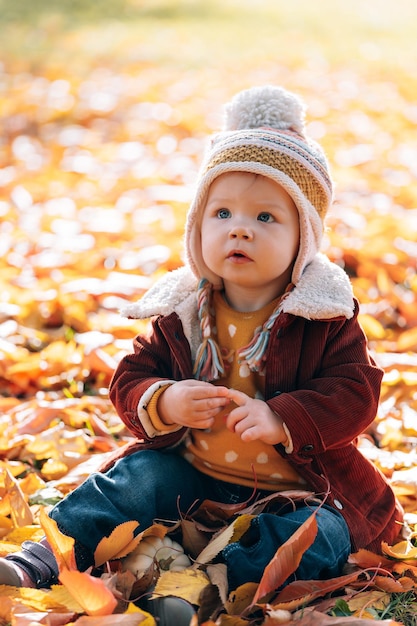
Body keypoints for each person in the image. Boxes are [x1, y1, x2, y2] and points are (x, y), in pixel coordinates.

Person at [0, 86, 403, 598]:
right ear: (197, 225)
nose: (240, 231)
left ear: (304, 235)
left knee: (313, 539)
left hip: (300, 490)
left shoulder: (321, 313)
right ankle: (44, 556)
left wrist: (284, 417)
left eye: (265, 217)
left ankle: (201, 590)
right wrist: (165, 399)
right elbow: (131, 378)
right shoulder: (185, 309)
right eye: (222, 214)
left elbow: (357, 392)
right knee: (134, 479)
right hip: (192, 471)